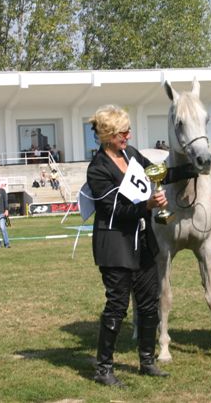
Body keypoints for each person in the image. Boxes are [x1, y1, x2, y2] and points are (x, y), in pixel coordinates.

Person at [86, 104, 170, 387]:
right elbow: (114, 211)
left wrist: (191, 168)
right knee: (117, 307)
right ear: (108, 135)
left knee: (149, 304)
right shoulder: (98, 169)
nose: (128, 136)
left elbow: (158, 173)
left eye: (128, 130)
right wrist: (148, 205)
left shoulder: (131, 154)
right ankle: (104, 369)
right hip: (115, 245)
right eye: (123, 132)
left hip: (143, 243)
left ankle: (147, 361)